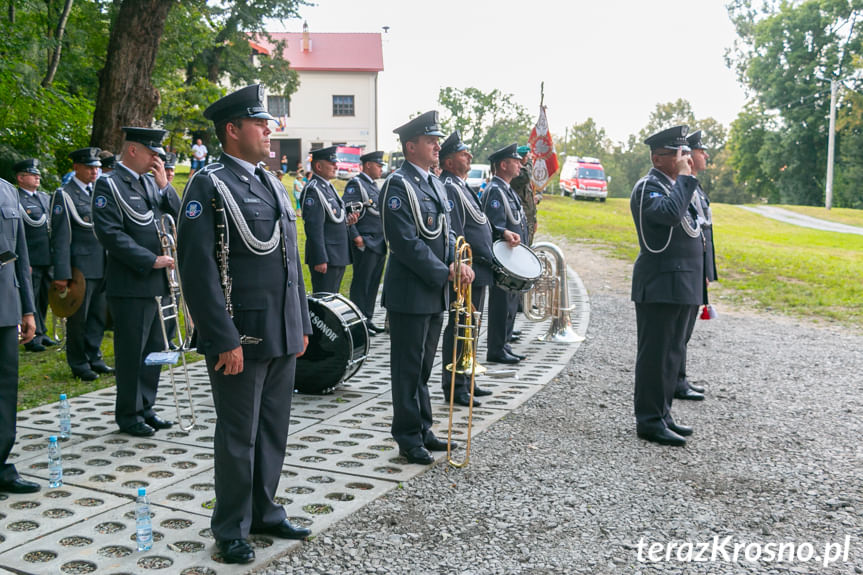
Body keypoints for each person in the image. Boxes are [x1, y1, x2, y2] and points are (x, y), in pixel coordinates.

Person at [176, 84, 313, 565]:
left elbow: (289, 261)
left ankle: (264, 511)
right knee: (239, 436)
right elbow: (197, 271)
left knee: (274, 428)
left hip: (279, 329)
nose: (268, 130)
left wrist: (300, 323)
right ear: (232, 131)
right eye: (259, 123)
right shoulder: (207, 185)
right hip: (239, 334)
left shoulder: (272, 181)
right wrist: (221, 337)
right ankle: (230, 527)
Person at [381, 110, 474, 465]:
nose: (437, 145)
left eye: (437, 140)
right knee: (407, 368)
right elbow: (404, 242)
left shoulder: (434, 182)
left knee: (423, 366)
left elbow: (446, 232)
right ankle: (407, 436)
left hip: (434, 290)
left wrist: (458, 259)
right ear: (410, 146)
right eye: (430, 140)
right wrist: (445, 270)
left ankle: (423, 427)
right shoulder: (398, 185)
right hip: (410, 291)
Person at [92, 127, 181, 438]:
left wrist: (165, 186)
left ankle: (146, 406)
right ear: (132, 151)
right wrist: (149, 259)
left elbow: (179, 215)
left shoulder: (150, 182)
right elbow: (109, 233)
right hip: (131, 283)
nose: (157, 158)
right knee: (132, 351)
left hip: (159, 282)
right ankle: (128, 414)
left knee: (155, 349)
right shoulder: (109, 185)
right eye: (151, 152)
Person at [630, 125, 703, 447]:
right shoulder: (649, 187)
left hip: (681, 282)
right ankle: (649, 420)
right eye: (680, 153)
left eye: (687, 152)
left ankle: (663, 414)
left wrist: (684, 182)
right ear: (659, 158)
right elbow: (671, 216)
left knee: (672, 354)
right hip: (660, 283)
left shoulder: (673, 185)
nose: (687, 158)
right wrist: (686, 180)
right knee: (655, 356)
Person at [438, 131, 519, 406]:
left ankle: (467, 379)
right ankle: (454, 384)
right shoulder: (449, 186)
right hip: (467, 269)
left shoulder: (460, 185)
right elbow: (456, 232)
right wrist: (461, 263)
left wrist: (501, 232)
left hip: (479, 268)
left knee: (471, 326)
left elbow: (480, 222)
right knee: (461, 325)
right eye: (463, 154)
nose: (470, 156)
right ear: (449, 162)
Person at [50, 147, 111, 381]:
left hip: (102, 264)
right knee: (79, 318)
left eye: (97, 167)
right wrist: (62, 274)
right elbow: (61, 238)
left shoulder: (99, 192)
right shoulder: (65, 195)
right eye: (89, 167)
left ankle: (94, 356)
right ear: (76, 168)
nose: (95, 171)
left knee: (97, 316)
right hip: (80, 268)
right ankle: (78, 362)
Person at [0, 177, 39, 495]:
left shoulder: (7, 190)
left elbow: (20, 258)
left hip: (5, 306)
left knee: (4, 391)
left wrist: (28, 310)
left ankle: (1, 463)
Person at [674, 129, 716, 401]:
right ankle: (676, 381)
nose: (706, 155)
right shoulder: (685, 187)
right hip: (684, 270)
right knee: (679, 332)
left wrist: (706, 270)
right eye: (701, 151)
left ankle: (680, 378)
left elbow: (704, 230)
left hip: (696, 268)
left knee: (685, 331)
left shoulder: (696, 187)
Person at [482, 144, 530, 364]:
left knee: (510, 303)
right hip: (504, 259)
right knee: (501, 304)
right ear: (503, 165)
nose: (520, 164)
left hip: (514, 257)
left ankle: (504, 344)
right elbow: (492, 224)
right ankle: (496, 348)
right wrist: (504, 232)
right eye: (515, 161)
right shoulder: (495, 190)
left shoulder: (506, 189)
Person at [300, 146, 358, 293]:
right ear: (318, 166)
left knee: (333, 299)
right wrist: (319, 258)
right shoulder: (314, 190)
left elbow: (334, 219)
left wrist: (348, 221)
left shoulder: (327, 187)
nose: (336, 166)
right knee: (324, 302)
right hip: (326, 257)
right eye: (331, 163)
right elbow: (313, 227)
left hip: (337, 254)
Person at [343, 150, 387, 334]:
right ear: (368, 165)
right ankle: (358, 322)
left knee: (373, 283)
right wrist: (356, 236)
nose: (381, 169)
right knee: (362, 283)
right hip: (366, 241)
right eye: (378, 165)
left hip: (379, 242)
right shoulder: (356, 184)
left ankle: (367, 319)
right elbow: (347, 211)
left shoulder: (373, 186)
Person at [14, 159, 56, 352]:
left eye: (37, 174)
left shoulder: (44, 198)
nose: (37, 177)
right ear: (21, 178)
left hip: (47, 256)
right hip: (31, 257)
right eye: (32, 174)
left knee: (44, 297)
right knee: (31, 296)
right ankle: (32, 337)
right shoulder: (16, 199)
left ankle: (42, 331)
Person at [510, 145, 538, 245]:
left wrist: (534, 219)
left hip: (529, 217)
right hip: (522, 218)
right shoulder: (518, 174)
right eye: (527, 157)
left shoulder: (522, 171)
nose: (528, 159)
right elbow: (527, 175)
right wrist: (530, 161)